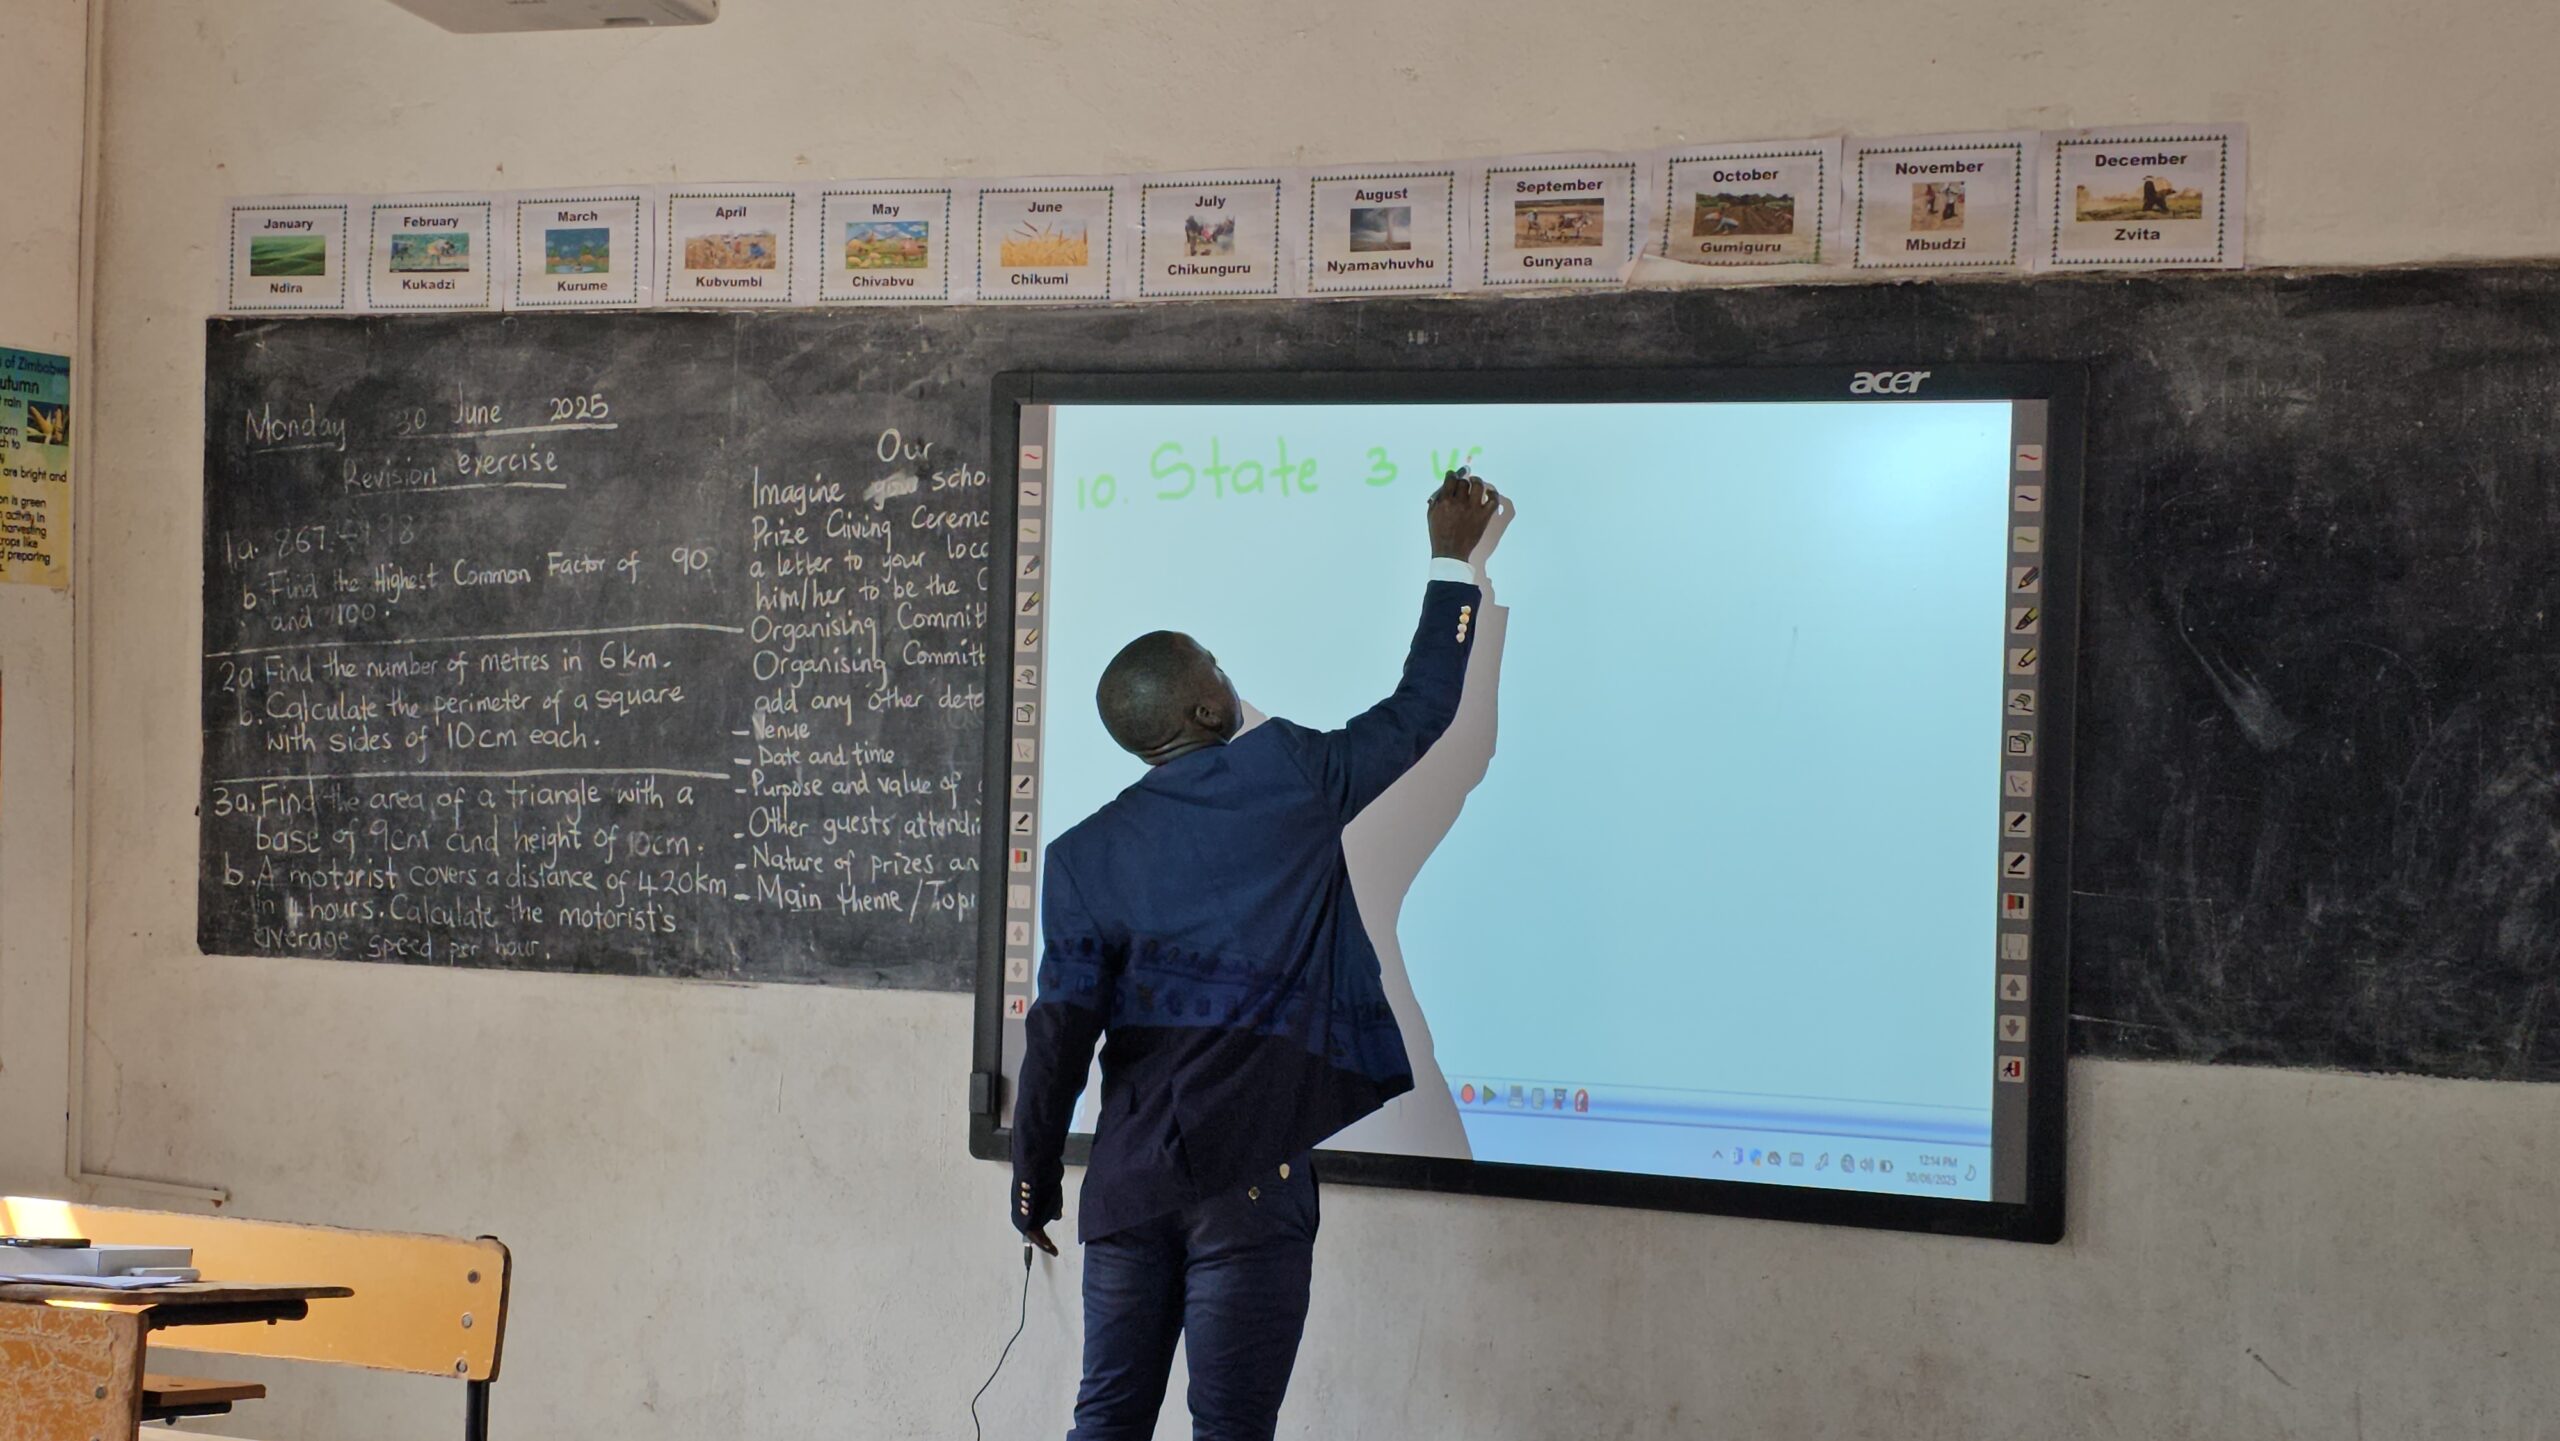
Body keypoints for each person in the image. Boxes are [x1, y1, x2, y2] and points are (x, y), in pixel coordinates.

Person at [1011, 469, 1506, 1440]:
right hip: (1250, 1190)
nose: (1231, 679)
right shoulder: (1290, 780)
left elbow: (1057, 1038)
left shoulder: (1079, 858)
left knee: (1104, 1419)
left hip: (1128, 1183)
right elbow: (1417, 715)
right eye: (1217, 669)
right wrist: (1453, 560)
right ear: (1205, 712)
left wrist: (1032, 1177)